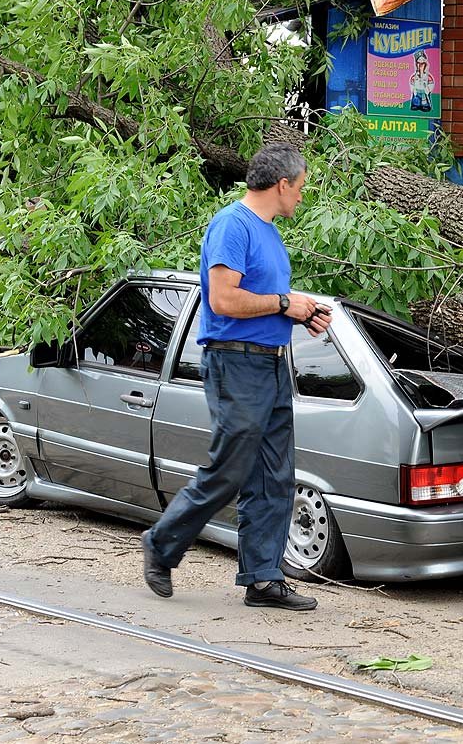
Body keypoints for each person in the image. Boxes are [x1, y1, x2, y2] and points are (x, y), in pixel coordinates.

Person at [140, 142, 332, 611]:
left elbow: (262, 298)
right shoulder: (233, 225)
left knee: (275, 475)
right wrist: (286, 304)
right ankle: (161, 545)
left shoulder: (269, 232)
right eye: (300, 188)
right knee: (230, 470)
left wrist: (299, 313)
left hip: (271, 361)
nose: (301, 198)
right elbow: (224, 301)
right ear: (282, 184)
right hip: (236, 363)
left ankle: (263, 579)